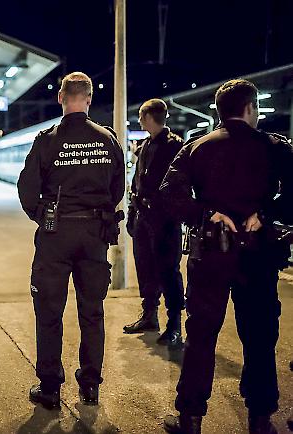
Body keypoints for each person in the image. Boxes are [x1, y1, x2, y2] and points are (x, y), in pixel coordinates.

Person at [160, 79, 293, 434]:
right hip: (259, 257)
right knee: (261, 336)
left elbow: (168, 195)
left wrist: (207, 214)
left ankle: (190, 418)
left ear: (219, 111)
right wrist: (264, 215)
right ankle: (261, 418)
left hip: (211, 256)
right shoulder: (274, 148)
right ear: (250, 108)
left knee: (201, 334)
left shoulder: (197, 147)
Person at [17, 72, 125, 410]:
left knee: (49, 310)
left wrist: (45, 217)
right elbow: (118, 188)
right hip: (95, 235)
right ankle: (90, 386)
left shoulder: (47, 139)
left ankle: (50, 387)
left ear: (61, 97)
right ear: (89, 99)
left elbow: (27, 188)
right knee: (92, 311)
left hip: (56, 235)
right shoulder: (107, 139)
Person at [123, 98, 186, 346]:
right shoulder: (145, 146)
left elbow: (180, 186)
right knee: (145, 267)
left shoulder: (175, 146)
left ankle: (174, 324)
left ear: (148, 117)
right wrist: (132, 213)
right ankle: (150, 314)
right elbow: (136, 182)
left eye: (141, 117)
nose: (139, 121)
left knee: (168, 270)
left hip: (165, 221)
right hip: (143, 217)